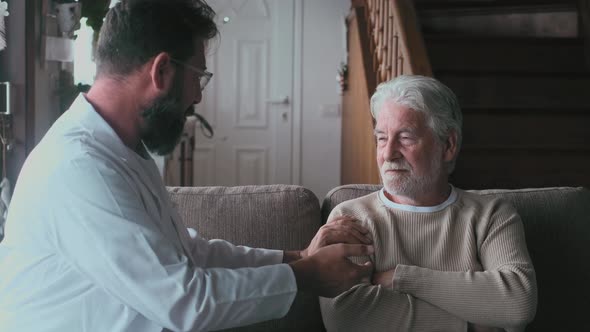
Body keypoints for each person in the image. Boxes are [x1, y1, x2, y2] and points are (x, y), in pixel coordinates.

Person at [0, 1, 374, 331]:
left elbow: (187, 253)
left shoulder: (122, 147)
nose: (196, 95)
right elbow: (185, 303)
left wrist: (298, 256)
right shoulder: (79, 168)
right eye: (199, 76)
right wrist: (307, 275)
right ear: (161, 71)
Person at [319, 75, 537, 332]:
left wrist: (401, 278)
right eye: (381, 138)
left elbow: (518, 303)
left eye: (405, 138)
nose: (388, 153)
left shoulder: (492, 215)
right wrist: (470, 325)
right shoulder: (350, 218)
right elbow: (346, 316)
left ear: (448, 146)